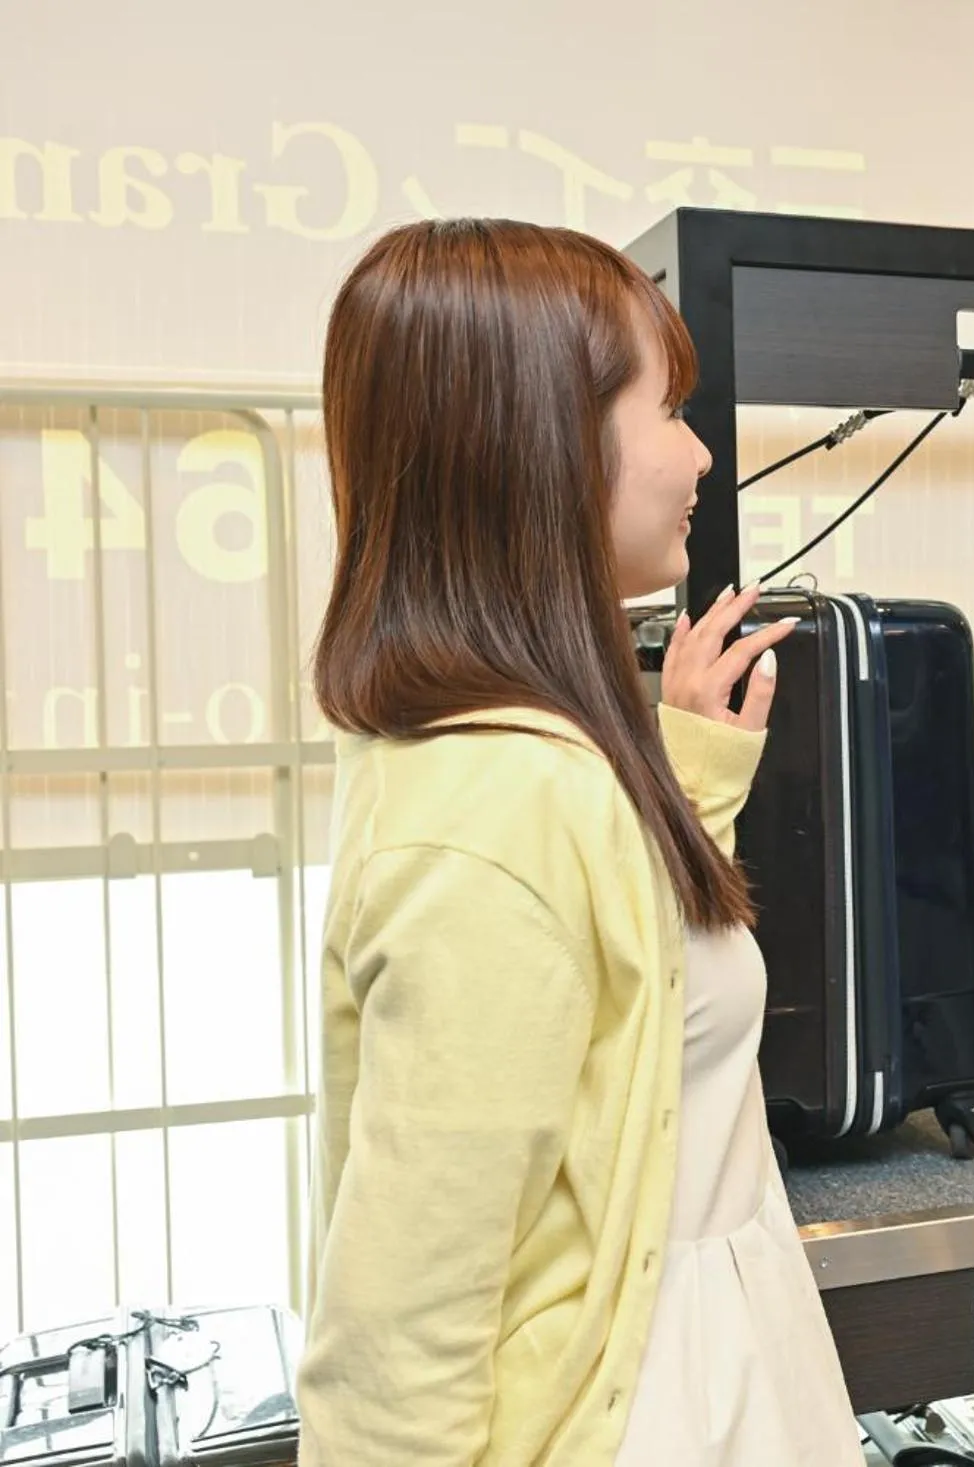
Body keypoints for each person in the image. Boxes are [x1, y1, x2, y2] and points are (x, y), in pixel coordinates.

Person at [297, 218, 863, 1466]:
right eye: (668, 410)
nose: (701, 453)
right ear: (542, 446)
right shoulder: (491, 815)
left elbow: (619, 1002)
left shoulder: (534, 762)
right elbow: (399, 1349)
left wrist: (690, 780)